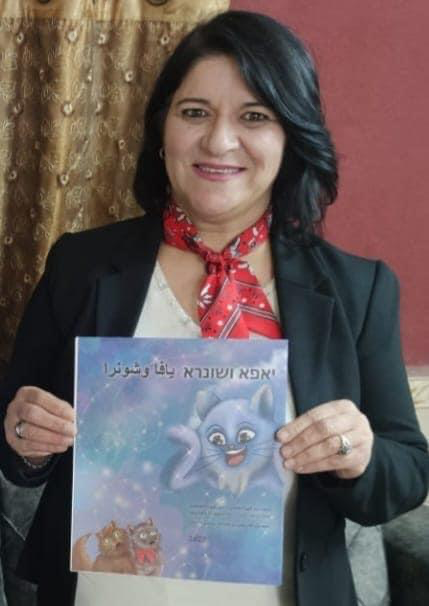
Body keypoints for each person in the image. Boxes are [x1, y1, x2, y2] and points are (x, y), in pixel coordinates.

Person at [0, 9, 428, 606]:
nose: (219, 141)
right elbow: (14, 439)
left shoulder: (357, 289)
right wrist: (23, 435)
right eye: (195, 112)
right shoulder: (82, 266)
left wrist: (357, 453)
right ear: (162, 129)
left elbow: (405, 476)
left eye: (254, 116)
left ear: (291, 136)